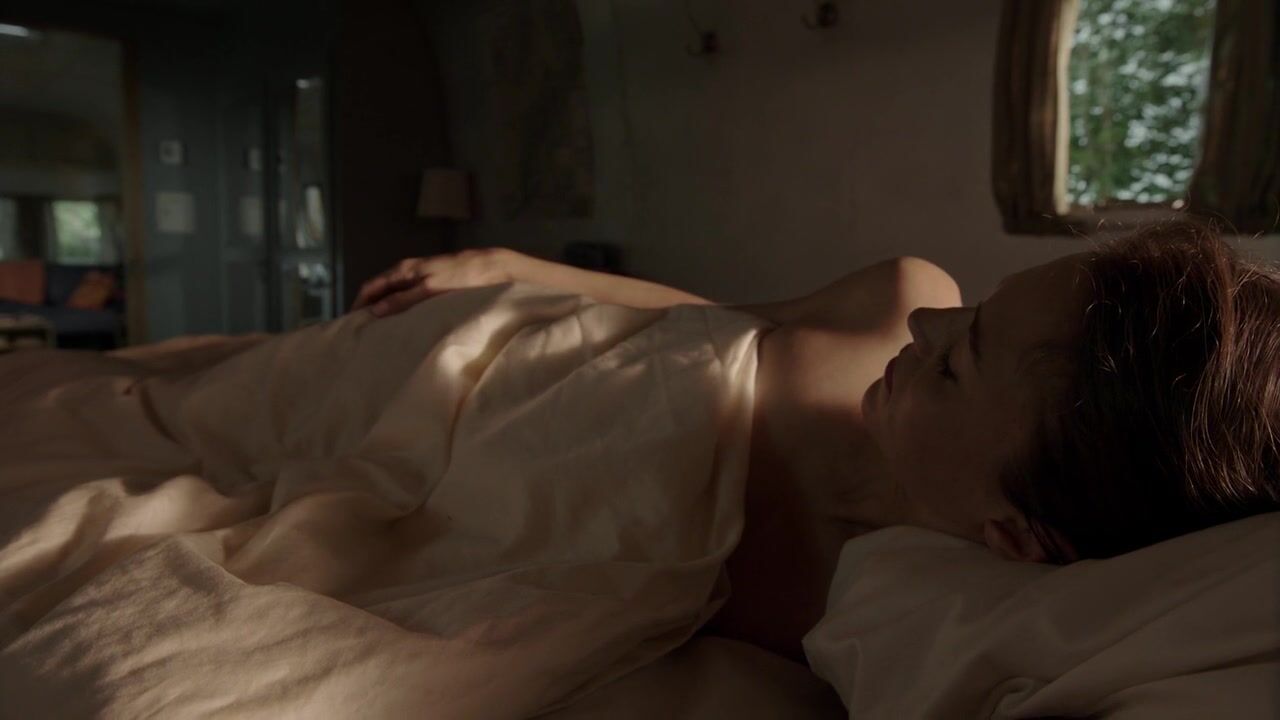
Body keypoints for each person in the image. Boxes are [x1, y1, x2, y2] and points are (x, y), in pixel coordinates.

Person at [352, 220, 1280, 661]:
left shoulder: (843, 618)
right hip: (457, 347)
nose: (927, 323)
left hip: (409, 477)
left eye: (958, 364)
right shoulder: (899, 294)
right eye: (977, 308)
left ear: (1013, 532)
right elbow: (699, 312)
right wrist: (512, 264)